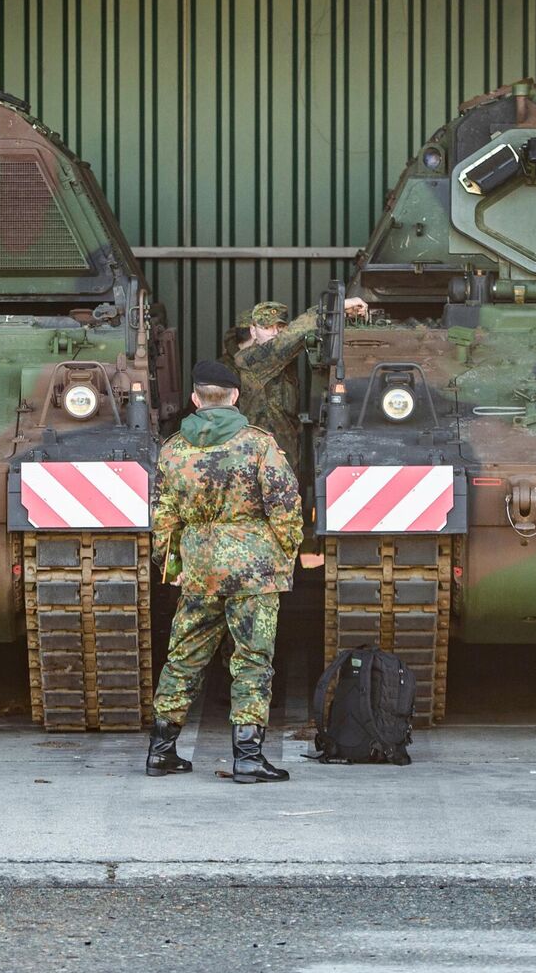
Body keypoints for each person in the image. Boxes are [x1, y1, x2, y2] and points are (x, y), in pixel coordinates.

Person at [145, 360, 303, 784]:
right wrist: (283, 554)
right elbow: (286, 506)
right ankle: (248, 758)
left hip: (198, 567)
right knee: (252, 659)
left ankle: (161, 752)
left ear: (196, 399)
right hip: (253, 569)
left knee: (184, 656)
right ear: (235, 396)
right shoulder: (258, 444)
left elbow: (162, 516)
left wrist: (172, 564)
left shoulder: (174, 448)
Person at [227, 296, 367, 474]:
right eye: (266, 327)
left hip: (286, 455)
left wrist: (344, 314)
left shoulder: (285, 359)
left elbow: (294, 340)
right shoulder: (250, 360)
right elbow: (290, 338)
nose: (274, 332)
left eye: (280, 327)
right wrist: (335, 306)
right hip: (258, 460)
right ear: (253, 332)